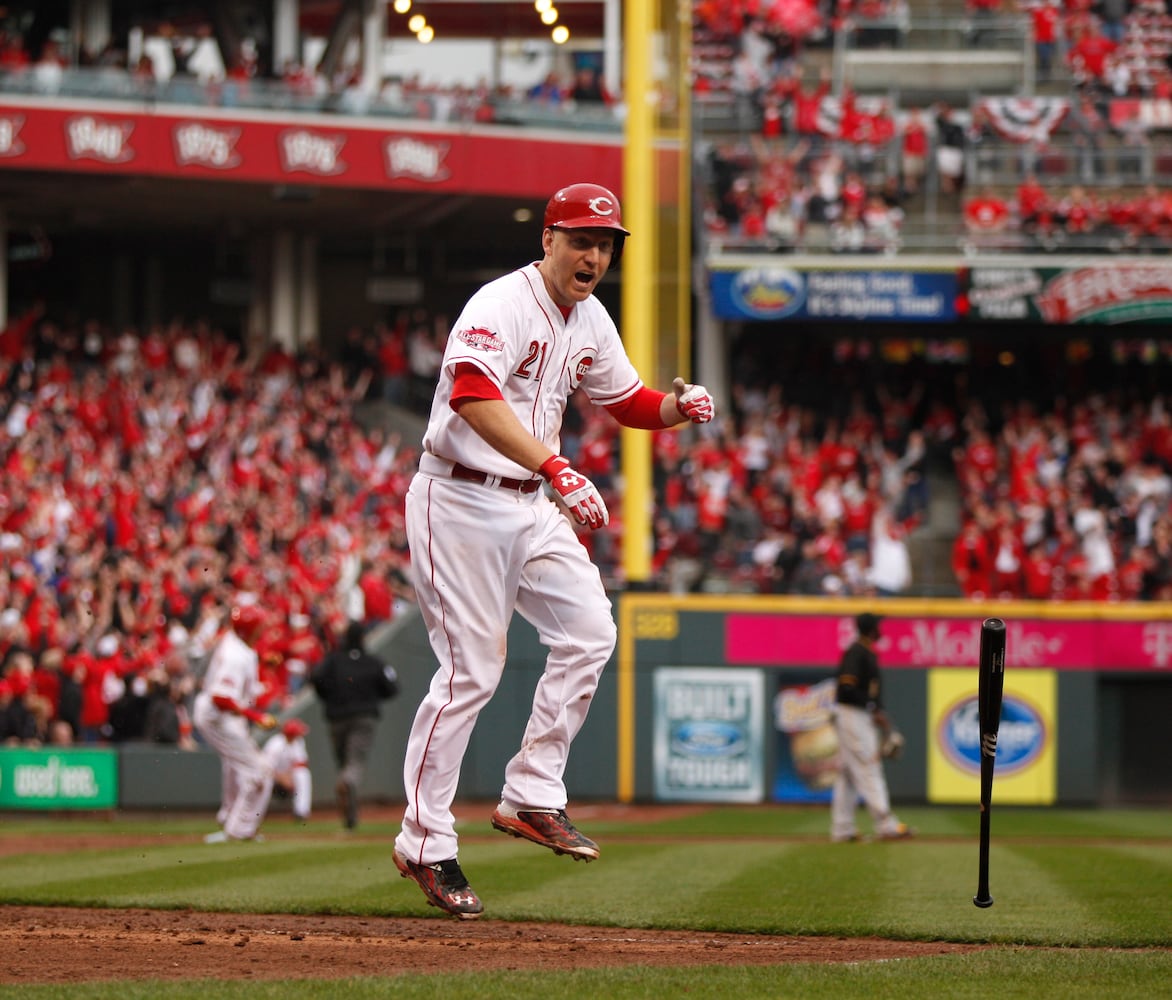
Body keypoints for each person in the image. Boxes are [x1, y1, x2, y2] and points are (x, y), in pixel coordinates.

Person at [392, 182, 715, 919]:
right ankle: (423, 839)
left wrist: (674, 409)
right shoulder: (499, 304)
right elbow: (472, 392)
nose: (593, 255)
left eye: (605, 245)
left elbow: (624, 396)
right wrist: (557, 467)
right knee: (472, 671)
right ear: (547, 241)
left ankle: (532, 793)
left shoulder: (591, 317)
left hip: (531, 503)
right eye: (580, 240)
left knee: (592, 631)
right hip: (461, 498)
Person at [192, 603, 279, 844]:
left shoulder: (237, 642)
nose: (263, 628)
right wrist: (257, 717)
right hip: (217, 718)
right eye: (259, 624)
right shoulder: (235, 656)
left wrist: (262, 662)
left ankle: (229, 817)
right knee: (259, 771)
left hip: (223, 716)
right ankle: (239, 829)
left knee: (236, 767)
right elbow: (221, 698)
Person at [830, 613, 914, 843]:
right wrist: (872, 706)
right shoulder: (856, 652)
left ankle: (842, 828)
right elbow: (846, 688)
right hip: (852, 714)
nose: (881, 629)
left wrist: (876, 710)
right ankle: (886, 824)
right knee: (868, 766)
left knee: (848, 773)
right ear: (871, 629)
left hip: (858, 715)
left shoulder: (866, 651)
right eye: (878, 625)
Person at [309, 619, 400, 830]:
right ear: (361, 638)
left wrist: (331, 698)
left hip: (336, 717)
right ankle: (348, 784)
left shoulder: (333, 660)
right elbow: (392, 687)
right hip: (363, 716)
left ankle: (350, 816)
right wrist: (370, 696)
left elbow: (315, 679)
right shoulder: (373, 661)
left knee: (343, 762)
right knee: (354, 762)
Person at [262, 718, 313, 822]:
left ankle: (301, 812)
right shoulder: (275, 744)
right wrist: (283, 779)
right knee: (265, 779)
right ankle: (256, 813)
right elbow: (265, 768)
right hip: (271, 775)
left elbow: (300, 763)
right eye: (297, 733)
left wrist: (289, 777)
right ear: (290, 734)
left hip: (288, 775)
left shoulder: (298, 741)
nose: (300, 734)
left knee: (303, 774)